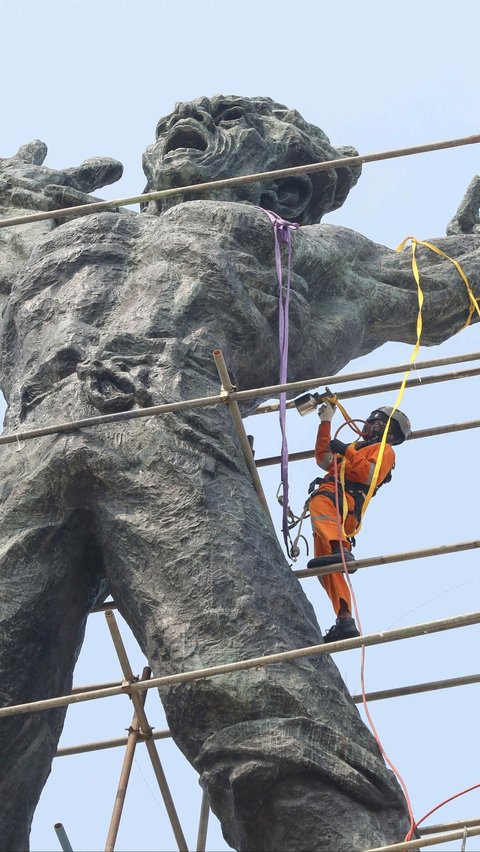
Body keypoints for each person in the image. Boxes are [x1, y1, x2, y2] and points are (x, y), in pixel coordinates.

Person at [0, 95, 478, 851]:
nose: (181, 125)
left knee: (254, 692)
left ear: (285, 186)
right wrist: (12, 196)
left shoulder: (291, 245)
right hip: (29, 443)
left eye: (229, 128)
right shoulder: (73, 235)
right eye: (172, 128)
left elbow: (436, 285)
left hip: (173, 433)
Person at [309, 401, 411, 641]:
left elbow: (368, 474)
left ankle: (341, 550)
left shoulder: (384, 450)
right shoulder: (356, 447)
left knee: (319, 503)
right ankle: (345, 618)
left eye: (377, 423)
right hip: (333, 517)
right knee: (327, 567)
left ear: (389, 431)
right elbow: (324, 459)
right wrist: (326, 422)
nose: (370, 425)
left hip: (343, 503)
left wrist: (348, 452)